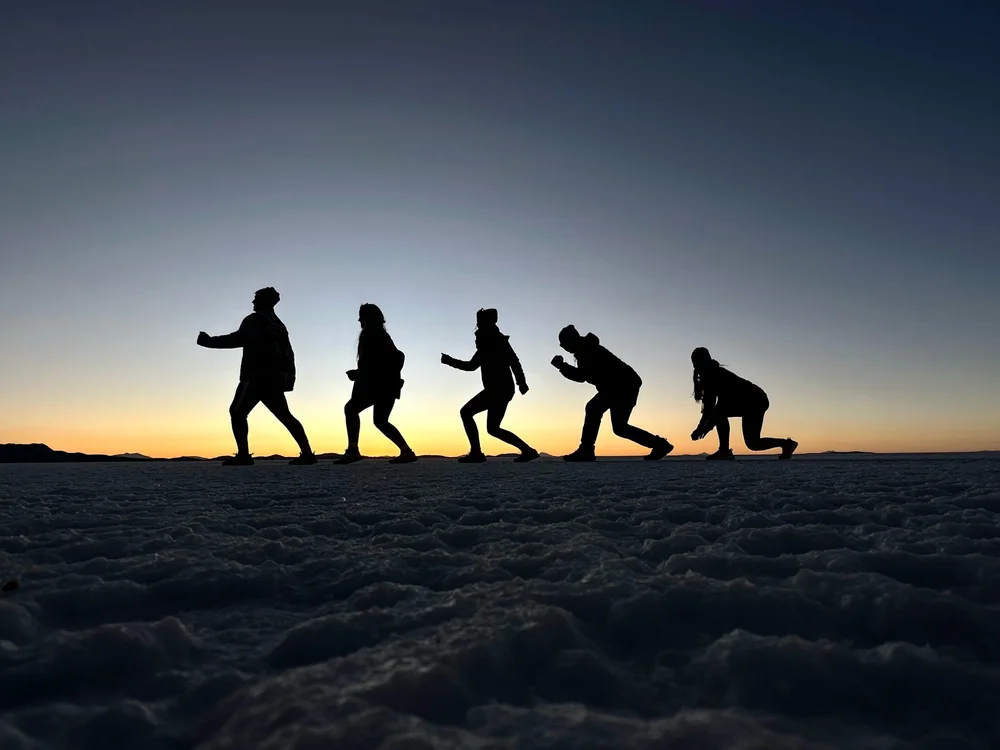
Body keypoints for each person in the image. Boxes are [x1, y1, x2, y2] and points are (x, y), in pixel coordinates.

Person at [197, 287, 317, 466]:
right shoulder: (280, 326)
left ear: (264, 301)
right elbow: (289, 353)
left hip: (255, 376)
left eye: (256, 299)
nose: (253, 302)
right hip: (274, 379)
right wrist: (288, 377)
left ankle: (244, 455)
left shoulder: (255, 320)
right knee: (285, 416)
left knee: (237, 412)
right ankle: (307, 453)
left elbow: (238, 338)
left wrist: (208, 342)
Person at [551, 325, 673, 462]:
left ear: (572, 341)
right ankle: (660, 445)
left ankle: (586, 450)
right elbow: (583, 375)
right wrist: (563, 367)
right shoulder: (585, 350)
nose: (565, 349)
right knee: (619, 427)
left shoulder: (588, 350)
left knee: (594, 409)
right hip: (621, 385)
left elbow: (581, 376)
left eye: (565, 345)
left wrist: (562, 366)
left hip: (622, 385)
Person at [441, 308, 540, 463]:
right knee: (492, 428)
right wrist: (450, 361)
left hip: (498, 390)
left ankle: (476, 453)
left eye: (480, 322)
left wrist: (521, 382)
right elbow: (472, 366)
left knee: (467, 412)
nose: (478, 325)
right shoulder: (488, 343)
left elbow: (513, 362)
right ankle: (528, 450)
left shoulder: (495, 341)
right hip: (501, 390)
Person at [336, 303, 417, 464]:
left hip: (380, 386)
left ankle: (353, 450)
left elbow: (379, 364)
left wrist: (359, 374)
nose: (359, 321)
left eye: (362, 317)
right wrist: (359, 373)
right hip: (385, 386)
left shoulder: (373, 336)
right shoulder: (379, 336)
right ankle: (406, 451)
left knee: (352, 409)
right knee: (380, 421)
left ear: (369, 319)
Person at [689, 346, 798, 460]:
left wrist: (704, 427)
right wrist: (702, 427)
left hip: (756, 401)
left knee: (720, 414)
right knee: (753, 443)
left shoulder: (717, 375)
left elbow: (718, 407)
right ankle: (787, 444)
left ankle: (724, 451)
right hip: (751, 402)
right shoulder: (708, 377)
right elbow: (709, 407)